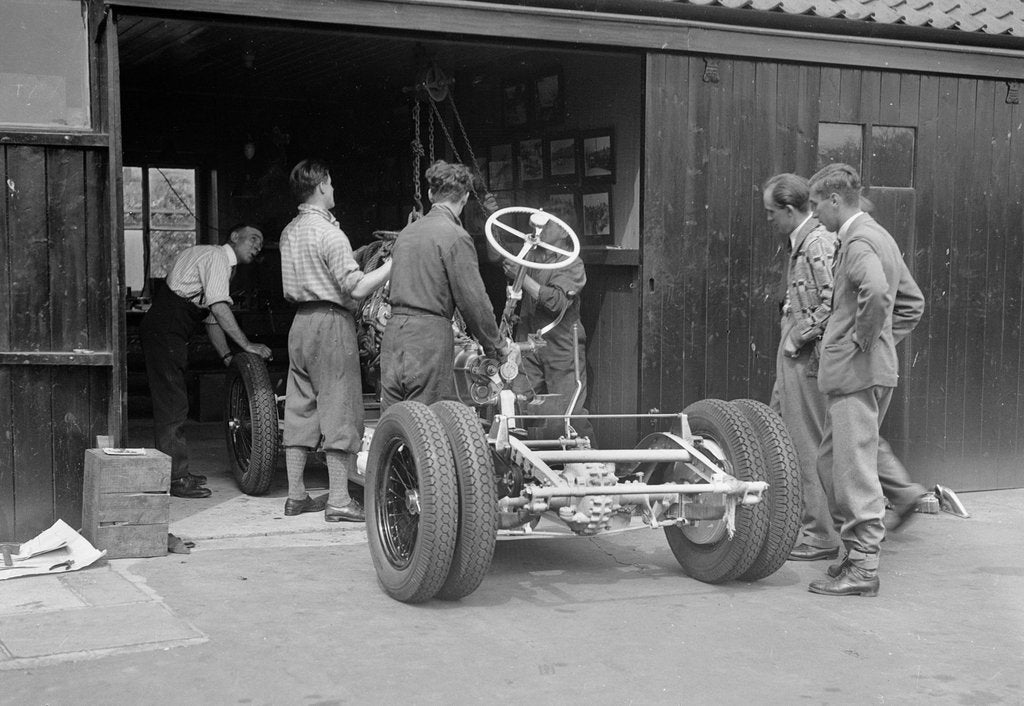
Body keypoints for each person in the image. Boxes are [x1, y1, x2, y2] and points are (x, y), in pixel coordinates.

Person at [806, 163, 925, 597]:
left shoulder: (857, 240)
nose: (815, 214)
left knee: (853, 471)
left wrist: (863, 340)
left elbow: (875, 292)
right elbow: (911, 301)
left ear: (835, 200)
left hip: (856, 373)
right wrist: (879, 344)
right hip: (865, 370)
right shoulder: (880, 235)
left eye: (818, 205)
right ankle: (852, 553)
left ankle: (863, 567)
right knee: (831, 463)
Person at [279, 158, 392, 522]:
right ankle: (340, 500)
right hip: (331, 322)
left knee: (299, 406)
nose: (334, 189)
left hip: (300, 324)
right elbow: (357, 286)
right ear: (322, 185)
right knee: (340, 409)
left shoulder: (290, 231)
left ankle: (296, 496)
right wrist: (394, 262)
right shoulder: (330, 234)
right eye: (332, 183)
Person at [141, 224, 272, 499]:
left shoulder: (217, 262)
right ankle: (175, 478)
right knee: (173, 404)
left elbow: (212, 321)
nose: (258, 245)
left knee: (174, 402)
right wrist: (247, 345)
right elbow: (219, 308)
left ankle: (176, 472)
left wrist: (227, 357)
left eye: (261, 242)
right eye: (253, 238)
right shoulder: (217, 258)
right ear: (234, 237)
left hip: (169, 329)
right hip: (167, 328)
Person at [380, 160, 514, 410]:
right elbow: (474, 301)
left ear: (430, 194)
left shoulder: (407, 233)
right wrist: (497, 347)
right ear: (464, 198)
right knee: (425, 427)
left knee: (393, 423)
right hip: (428, 339)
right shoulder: (456, 237)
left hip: (393, 333)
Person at [762, 173, 840, 561]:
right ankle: (800, 524)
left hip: (805, 355)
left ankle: (820, 534)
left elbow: (836, 299)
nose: (770, 220)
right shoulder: (802, 241)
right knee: (781, 432)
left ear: (791, 210)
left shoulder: (817, 241)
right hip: (794, 350)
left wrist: (800, 334)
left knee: (805, 440)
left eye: (772, 212)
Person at [503, 218, 595, 442]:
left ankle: (588, 464)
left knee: (567, 413)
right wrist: (491, 214)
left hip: (560, 346)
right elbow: (497, 256)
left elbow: (555, 302)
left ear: (564, 232)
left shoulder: (573, 265)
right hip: (528, 343)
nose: (538, 229)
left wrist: (521, 277)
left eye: (546, 226)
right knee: (518, 405)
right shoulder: (531, 257)